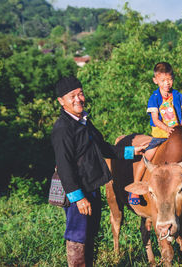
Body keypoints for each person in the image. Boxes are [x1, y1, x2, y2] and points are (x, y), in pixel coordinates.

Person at [51, 76, 149, 266]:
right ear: (61, 102)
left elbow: (103, 148)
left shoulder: (84, 122)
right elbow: (64, 166)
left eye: (80, 93)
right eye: (72, 96)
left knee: (90, 233)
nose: (78, 99)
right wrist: (78, 198)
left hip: (93, 185)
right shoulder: (63, 128)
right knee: (77, 236)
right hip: (78, 191)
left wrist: (131, 151)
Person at [129, 62, 182, 205]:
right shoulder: (154, 98)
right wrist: (167, 129)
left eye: (169, 79)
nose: (167, 83)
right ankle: (135, 188)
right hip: (161, 135)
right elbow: (155, 119)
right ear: (156, 80)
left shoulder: (177, 95)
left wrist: (181, 128)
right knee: (147, 156)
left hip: (177, 135)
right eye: (163, 80)